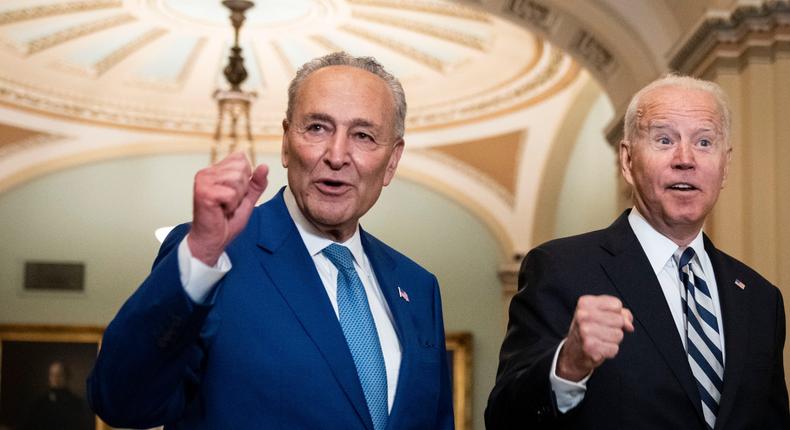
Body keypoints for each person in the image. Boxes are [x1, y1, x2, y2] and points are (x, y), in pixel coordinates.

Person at [88, 52, 453, 429]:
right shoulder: (212, 256)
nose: (337, 155)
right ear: (285, 143)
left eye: (363, 135)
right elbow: (122, 402)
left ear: (392, 161)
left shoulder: (417, 286)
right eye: (317, 128)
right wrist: (199, 255)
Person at [485, 75, 790, 429]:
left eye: (704, 142)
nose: (685, 159)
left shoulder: (760, 298)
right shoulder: (560, 269)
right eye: (664, 140)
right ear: (628, 161)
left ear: (725, 165)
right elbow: (504, 419)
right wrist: (567, 366)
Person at [24, 360, 92, 430]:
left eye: (60, 375)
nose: (56, 378)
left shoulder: (76, 403)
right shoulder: (40, 403)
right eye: (53, 375)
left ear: (67, 377)